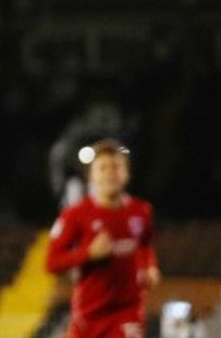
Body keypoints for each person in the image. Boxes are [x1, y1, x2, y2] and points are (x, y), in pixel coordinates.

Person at [46, 138, 160, 338]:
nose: (110, 173)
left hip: (128, 311)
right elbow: (52, 263)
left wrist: (149, 266)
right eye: (103, 167)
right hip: (89, 315)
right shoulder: (75, 215)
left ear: (127, 173)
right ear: (91, 176)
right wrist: (88, 253)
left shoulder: (141, 211)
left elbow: (145, 244)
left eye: (116, 166)